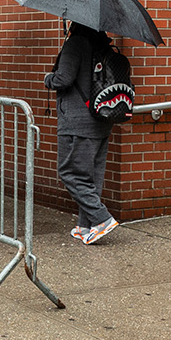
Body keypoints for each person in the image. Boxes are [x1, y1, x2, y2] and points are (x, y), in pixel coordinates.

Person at [45, 22, 121, 245]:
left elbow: (63, 79)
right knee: (92, 177)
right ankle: (85, 226)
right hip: (102, 119)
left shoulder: (76, 43)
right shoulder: (104, 45)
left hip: (77, 122)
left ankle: (102, 219)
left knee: (69, 172)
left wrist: (48, 78)